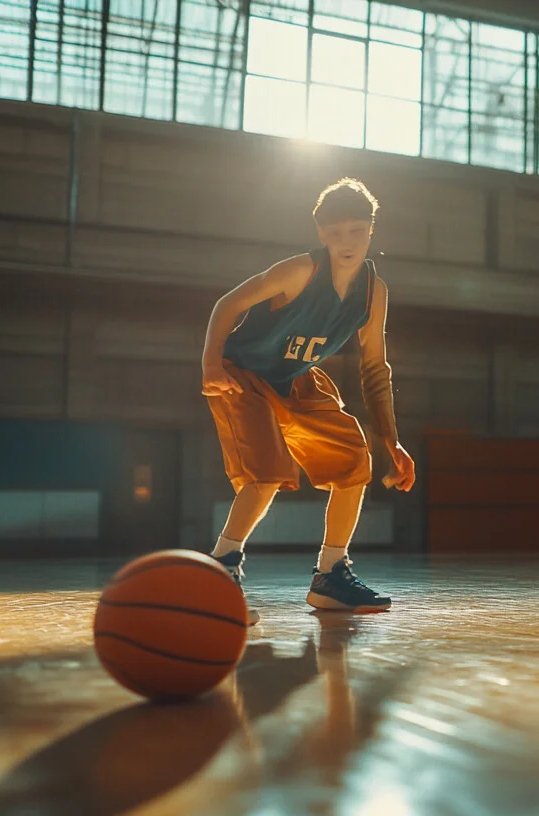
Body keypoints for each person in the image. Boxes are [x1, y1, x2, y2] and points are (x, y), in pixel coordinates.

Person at [199, 178, 416, 624]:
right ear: (321, 233)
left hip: (296, 379)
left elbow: (375, 367)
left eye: (357, 230)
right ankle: (220, 571)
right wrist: (210, 366)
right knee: (267, 474)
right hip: (242, 374)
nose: (347, 242)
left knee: (355, 461)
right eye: (336, 233)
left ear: (371, 230)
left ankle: (330, 575)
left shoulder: (375, 292)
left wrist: (390, 440)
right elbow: (226, 304)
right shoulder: (299, 271)